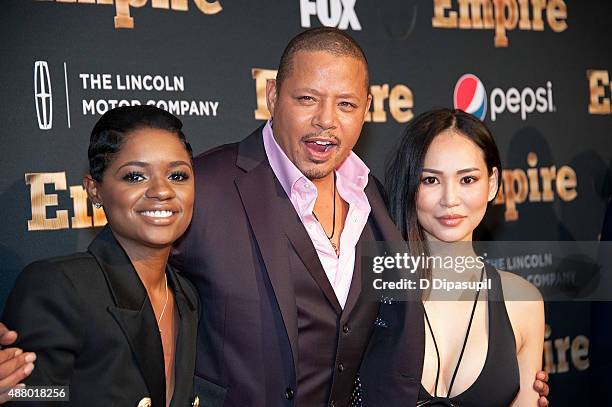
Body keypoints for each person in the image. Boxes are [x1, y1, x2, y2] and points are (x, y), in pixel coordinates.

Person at [0, 29, 549, 407]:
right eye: (307, 98)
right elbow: (110, 317)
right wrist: (24, 389)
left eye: (346, 105)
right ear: (271, 95)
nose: (325, 122)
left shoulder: (373, 200)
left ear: (367, 110)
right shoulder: (203, 186)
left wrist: (513, 375)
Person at [1, 106, 204, 406]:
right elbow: (33, 394)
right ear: (94, 190)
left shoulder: (187, 297)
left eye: (177, 175)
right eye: (135, 176)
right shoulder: (59, 288)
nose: (162, 191)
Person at [362, 108, 544, 406]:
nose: (450, 199)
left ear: (493, 183)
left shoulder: (523, 301)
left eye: (467, 180)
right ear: (410, 186)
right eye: (431, 180)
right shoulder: (370, 290)